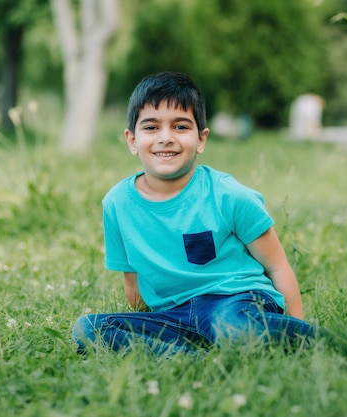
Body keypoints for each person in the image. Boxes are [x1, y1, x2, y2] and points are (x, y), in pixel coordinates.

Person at [72, 72, 318, 355]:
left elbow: (278, 266)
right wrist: (149, 324)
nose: (166, 138)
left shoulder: (228, 194)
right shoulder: (116, 204)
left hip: (235, 303)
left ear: (201, 139)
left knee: (234, 328)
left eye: (180, 126)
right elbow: (133, 286)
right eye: (151, 127)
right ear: (132, 140)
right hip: (174, 316)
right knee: (88, 330)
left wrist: (297, 327)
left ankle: (318, 341)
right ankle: (189, 359)